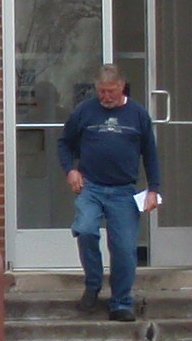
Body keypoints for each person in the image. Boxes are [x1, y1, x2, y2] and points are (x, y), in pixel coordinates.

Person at [58, 63, 161, 320]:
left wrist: (153, 189)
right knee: (85, 229)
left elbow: (150, 153)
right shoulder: (85, 111)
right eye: (101, 91)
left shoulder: (137, 114)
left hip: (123, 191)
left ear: (121, 87)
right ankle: (93, 284)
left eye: (110, 91)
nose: (105, 97)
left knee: (125, 249)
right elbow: (64, 143)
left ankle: (121, 302)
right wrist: (71, 170)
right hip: (91, 187)